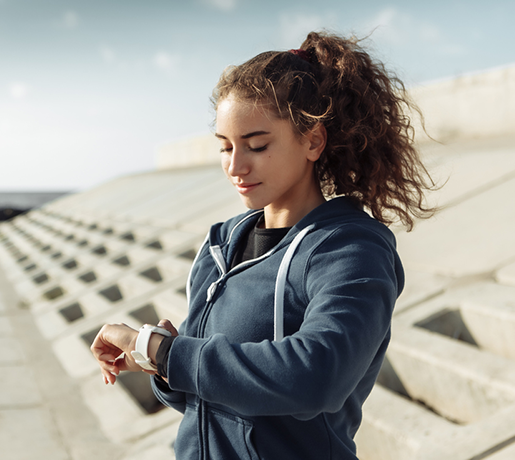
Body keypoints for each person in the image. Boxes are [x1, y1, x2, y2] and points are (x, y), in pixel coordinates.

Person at [91, 31, 435, 459]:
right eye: (225, 147)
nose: (236, 166)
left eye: (257, 145)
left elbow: (317, 377)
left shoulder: (349, 249)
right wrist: (163, 363)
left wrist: (163, 352)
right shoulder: (221, 243)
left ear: (312, 141)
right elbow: (202, 401)